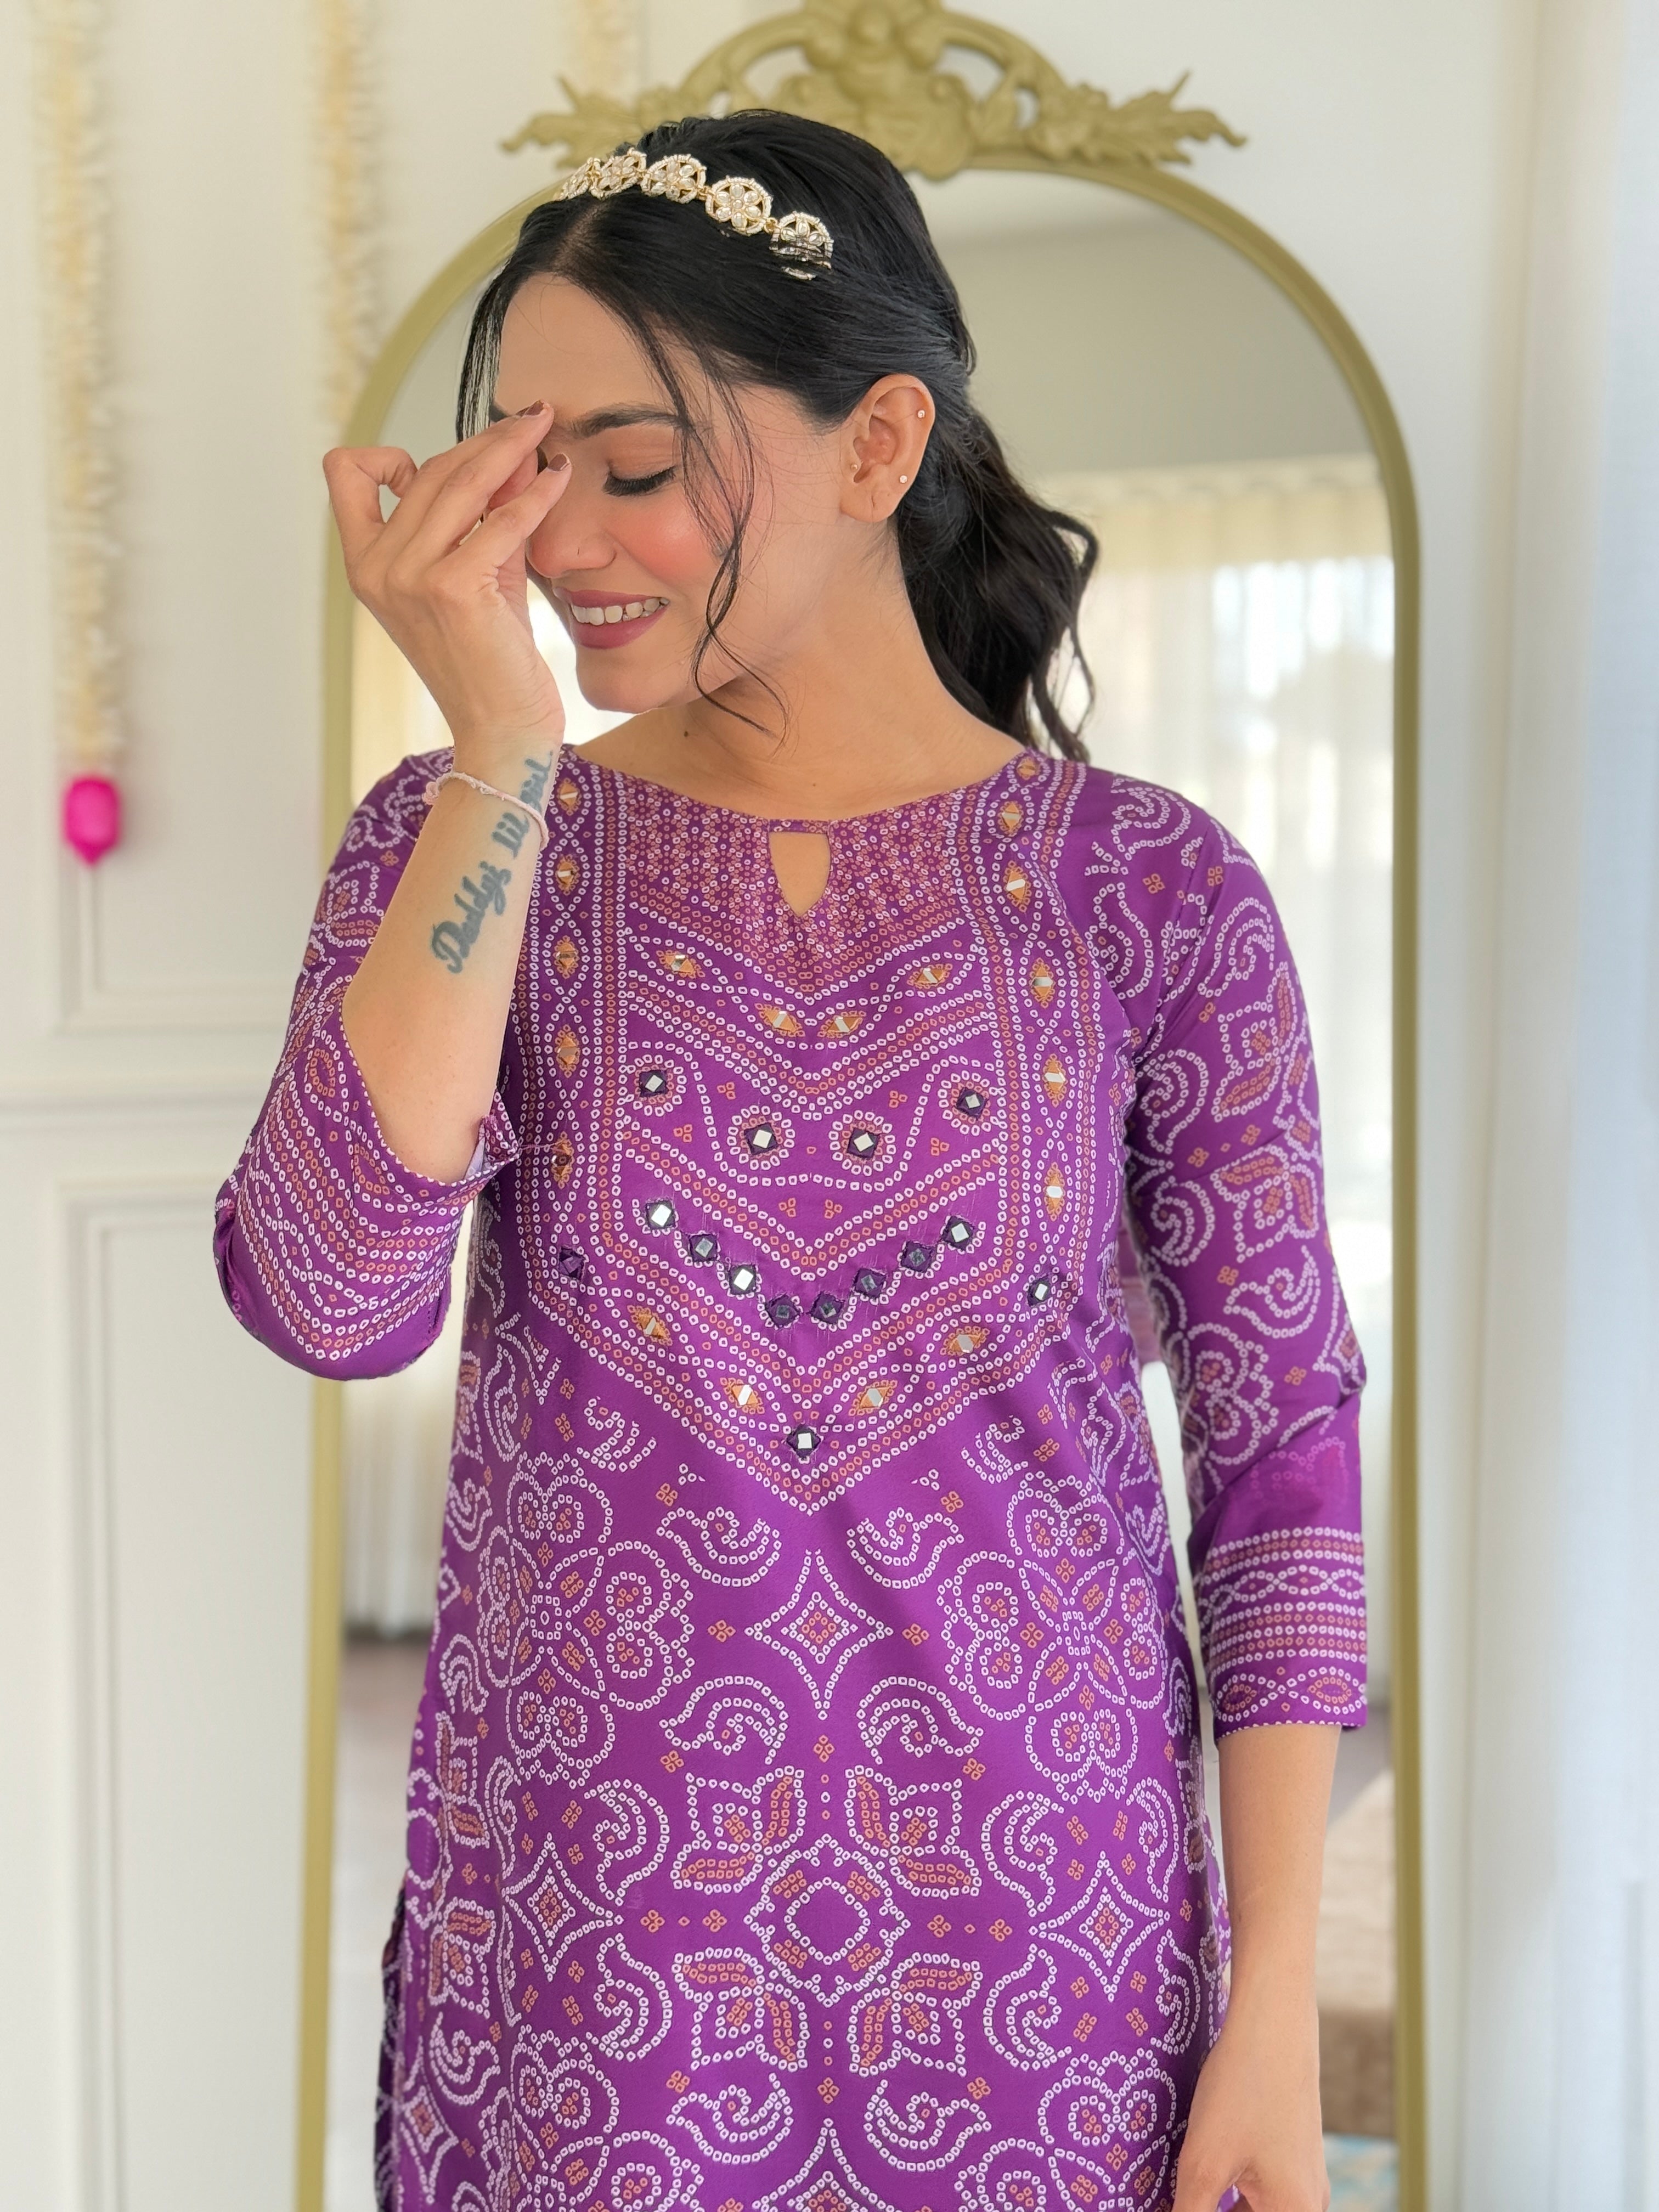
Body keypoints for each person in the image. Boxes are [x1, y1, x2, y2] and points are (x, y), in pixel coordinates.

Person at [216, 109, 1365, 2212]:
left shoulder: (1152, 893)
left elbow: (1280, 1458)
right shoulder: (467, 843)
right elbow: (330, 1299)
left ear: (877, 444)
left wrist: (1274, 1997)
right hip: (589, 1976)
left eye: (634, 465)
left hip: (1051, 1962)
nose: (558, 542)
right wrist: (501, 758)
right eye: (523, 465)